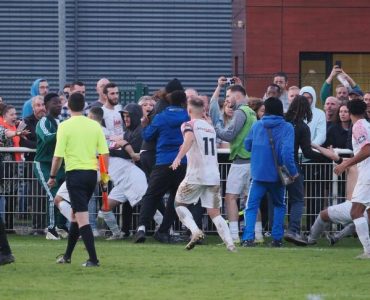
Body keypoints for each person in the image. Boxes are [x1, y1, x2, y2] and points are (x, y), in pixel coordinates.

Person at [49, 92, 109, 267]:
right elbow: (105, 153)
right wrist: (104, 177)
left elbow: (58, 156)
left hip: (75, 175)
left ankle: (93, 259)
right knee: (75, 216)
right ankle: (67, 256)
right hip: (91, 175)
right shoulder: (94, 125)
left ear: (68, 105)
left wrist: (52, 176)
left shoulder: (64, 126)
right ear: (84, 106)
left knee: (82, 218)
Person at [171, 97, 236, 252]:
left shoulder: (188, 124)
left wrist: (178, 157)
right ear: (203, 111)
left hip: (196, 174)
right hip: (213, 174)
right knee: (214, 212)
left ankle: (195, 231)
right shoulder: (210, 127)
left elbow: (189, 138)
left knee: (179, 204)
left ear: (189, 110)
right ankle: (230, 244)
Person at [283, 95, 342, 246]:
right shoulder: (302, 127)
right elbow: (308, 152)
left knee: (277, 200)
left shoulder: (282, 121)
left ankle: (276, 233)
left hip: (274, 165)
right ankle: (293, 230)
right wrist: (329, 159)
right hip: (292, 165)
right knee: (297, 200)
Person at [241, 97, 298, 247]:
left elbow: (247, 145)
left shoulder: (257, 125)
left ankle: (248, 238)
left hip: (258, 174)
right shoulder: (287, 127)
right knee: (279, 205)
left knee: (251, 206)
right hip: (277, 175)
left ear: (265, 109)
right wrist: (293, 171)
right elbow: (287, 153)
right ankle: (277, 239)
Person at [134, 90, 189, 244]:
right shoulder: (187, 117)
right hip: (182, 162)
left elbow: (148, 136)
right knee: (175, 198)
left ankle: (142, 228)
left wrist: (145, 125)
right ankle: (163, 230)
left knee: (151, 195)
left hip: (162, 161)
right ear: (184, 102)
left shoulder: (160, 117)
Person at [210, 80, 257, 243]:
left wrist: (215, 126)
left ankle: (234, 236)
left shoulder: (240, 112)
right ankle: (257, 236)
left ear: (237, 96)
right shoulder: (251, 112)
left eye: (229, 96)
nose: (227, 99)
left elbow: (229, 135)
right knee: (251, 200)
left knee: (230, 197)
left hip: (241, 161)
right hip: (252, 161)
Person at [333, 99, 370, 259]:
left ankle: (368, 251)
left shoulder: (359, 126)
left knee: (356, 211)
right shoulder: (366, 124)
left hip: (368, 174)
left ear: (349, 112)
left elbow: (367, 149)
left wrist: (345, 164)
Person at [34, 93, 68, 240]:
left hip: (59, 164)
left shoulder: (61, 122)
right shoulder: (43, 122)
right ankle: (51, 229)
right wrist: (64, 131)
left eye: (60, 102)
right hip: (44, 164)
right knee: (52, 195)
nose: (59, 105)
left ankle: (60, 226)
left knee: (63, 195)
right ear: (47, 106)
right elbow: (47, 139)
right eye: (55, 103)